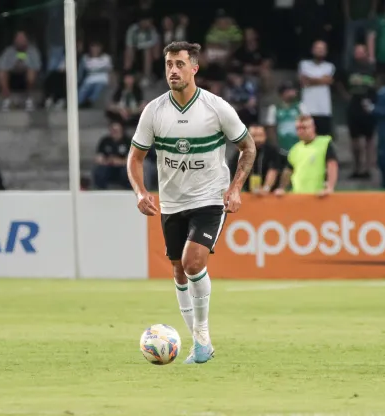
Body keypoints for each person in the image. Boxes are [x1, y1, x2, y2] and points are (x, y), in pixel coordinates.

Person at [126, 41, 256, 365]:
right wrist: (141, 192)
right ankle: (202, 346)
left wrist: (236, 188)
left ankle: (200, 339)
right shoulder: (154, 111)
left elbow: (248, 147)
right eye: (169, 64)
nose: (173, 70)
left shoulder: (216, 108)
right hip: (171, 203)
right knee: (178, 271)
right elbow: (135, 158)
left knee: (192, 262)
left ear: (194, 68)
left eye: (180, 64)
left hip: (210, 198)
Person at [275, 115, 338, 196]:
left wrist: (330, 187)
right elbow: (288, 171)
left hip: (318, 195)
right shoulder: (295, 148)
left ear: (313, 127)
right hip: (297, 195)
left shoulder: (325, 143)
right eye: (298, 128)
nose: (301, 131)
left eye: (304, 128)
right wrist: (282, 188)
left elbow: (332, 165)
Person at [339, 44, 376, 179]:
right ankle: (356, 168)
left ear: (366, 53)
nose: (358, 54)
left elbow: (379, 83)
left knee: (369, 139)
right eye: (357, 52)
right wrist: (345, 95)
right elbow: (338, 81)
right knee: (354, 140)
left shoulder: (373, 69)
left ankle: (368, 169)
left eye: (361, 52)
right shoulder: (349, 68)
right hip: (353, 106)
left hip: (368, 106)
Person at [228, 124, 281, 195]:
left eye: (260, 135)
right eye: (254, 136)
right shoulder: (240, 152)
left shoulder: (272, 150)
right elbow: (235, 171)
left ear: (265, 136)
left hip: (269, 194)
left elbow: (273, 170)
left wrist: (266, 188)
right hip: (247, 193)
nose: (257, 139)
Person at [298, 40, 336, 137]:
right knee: (307, 138)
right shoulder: (304, 64)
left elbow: (328, 81)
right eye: (317, 48)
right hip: (307, 110)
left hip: (324, 110)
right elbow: (303, 81)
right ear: (312, 50)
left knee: (323, 139)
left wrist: (310, 79)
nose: (319, 51)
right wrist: (322, 80)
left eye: (322, 49)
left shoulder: (330, 66)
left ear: (326, 51)